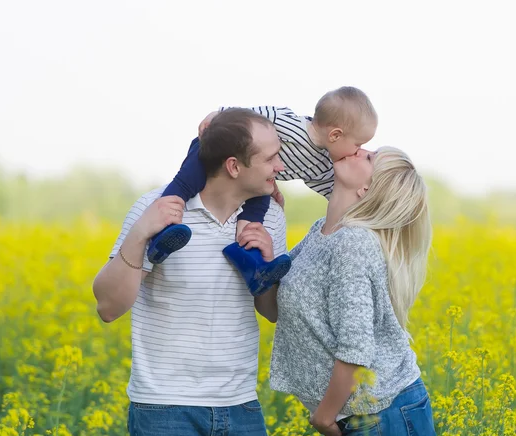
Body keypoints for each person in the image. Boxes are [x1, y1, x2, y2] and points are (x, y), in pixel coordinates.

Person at [92, 108, 287, 436]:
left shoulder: (268, 215)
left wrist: (269, 261)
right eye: (270, 158)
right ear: (234, 166)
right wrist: (141, 233)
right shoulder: (155, 209)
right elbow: (108, 307)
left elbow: (269, 312)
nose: (280, 166)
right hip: (165, 410)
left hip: (240, 406)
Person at [266, 147, 437, 436]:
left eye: (371, 157)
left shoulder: (353, 245)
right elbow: (275, 307)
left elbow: (356, 350)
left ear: (368, 189)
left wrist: (324, 417)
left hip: (383, 414)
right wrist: (270, 235)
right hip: (366, 415)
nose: (359, 148)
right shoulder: (322, 232)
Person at [147, 86, 378, 296]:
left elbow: (337, 191)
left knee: (255, 217)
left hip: (256, 182)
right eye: (358, 144)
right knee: (186, 184)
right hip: (215, 147)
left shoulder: (322, 164)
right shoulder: (287, 122)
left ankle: (253, 266)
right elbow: (246, 118)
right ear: (335, 135)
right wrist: (217, 115)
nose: (358, 151)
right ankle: (162, 234)